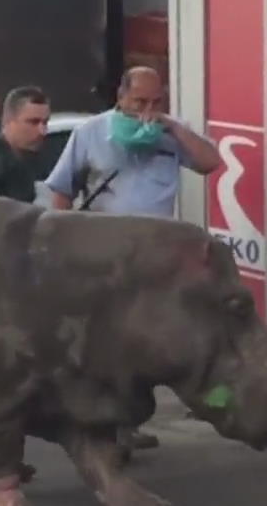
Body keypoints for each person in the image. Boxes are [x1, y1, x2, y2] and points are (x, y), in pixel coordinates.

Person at [44, 66, 222, 453]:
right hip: (104, 257)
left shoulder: (170, 134)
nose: (146, 110)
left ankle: (130, 420)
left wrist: (172, 128)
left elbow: (210, 163)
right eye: (138, 102)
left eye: (155, 102)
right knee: (105, 345)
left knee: (146, 342)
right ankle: (103, 425)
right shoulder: (91, 132)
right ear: (120, 97)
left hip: (155, 259)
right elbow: (61, 190)